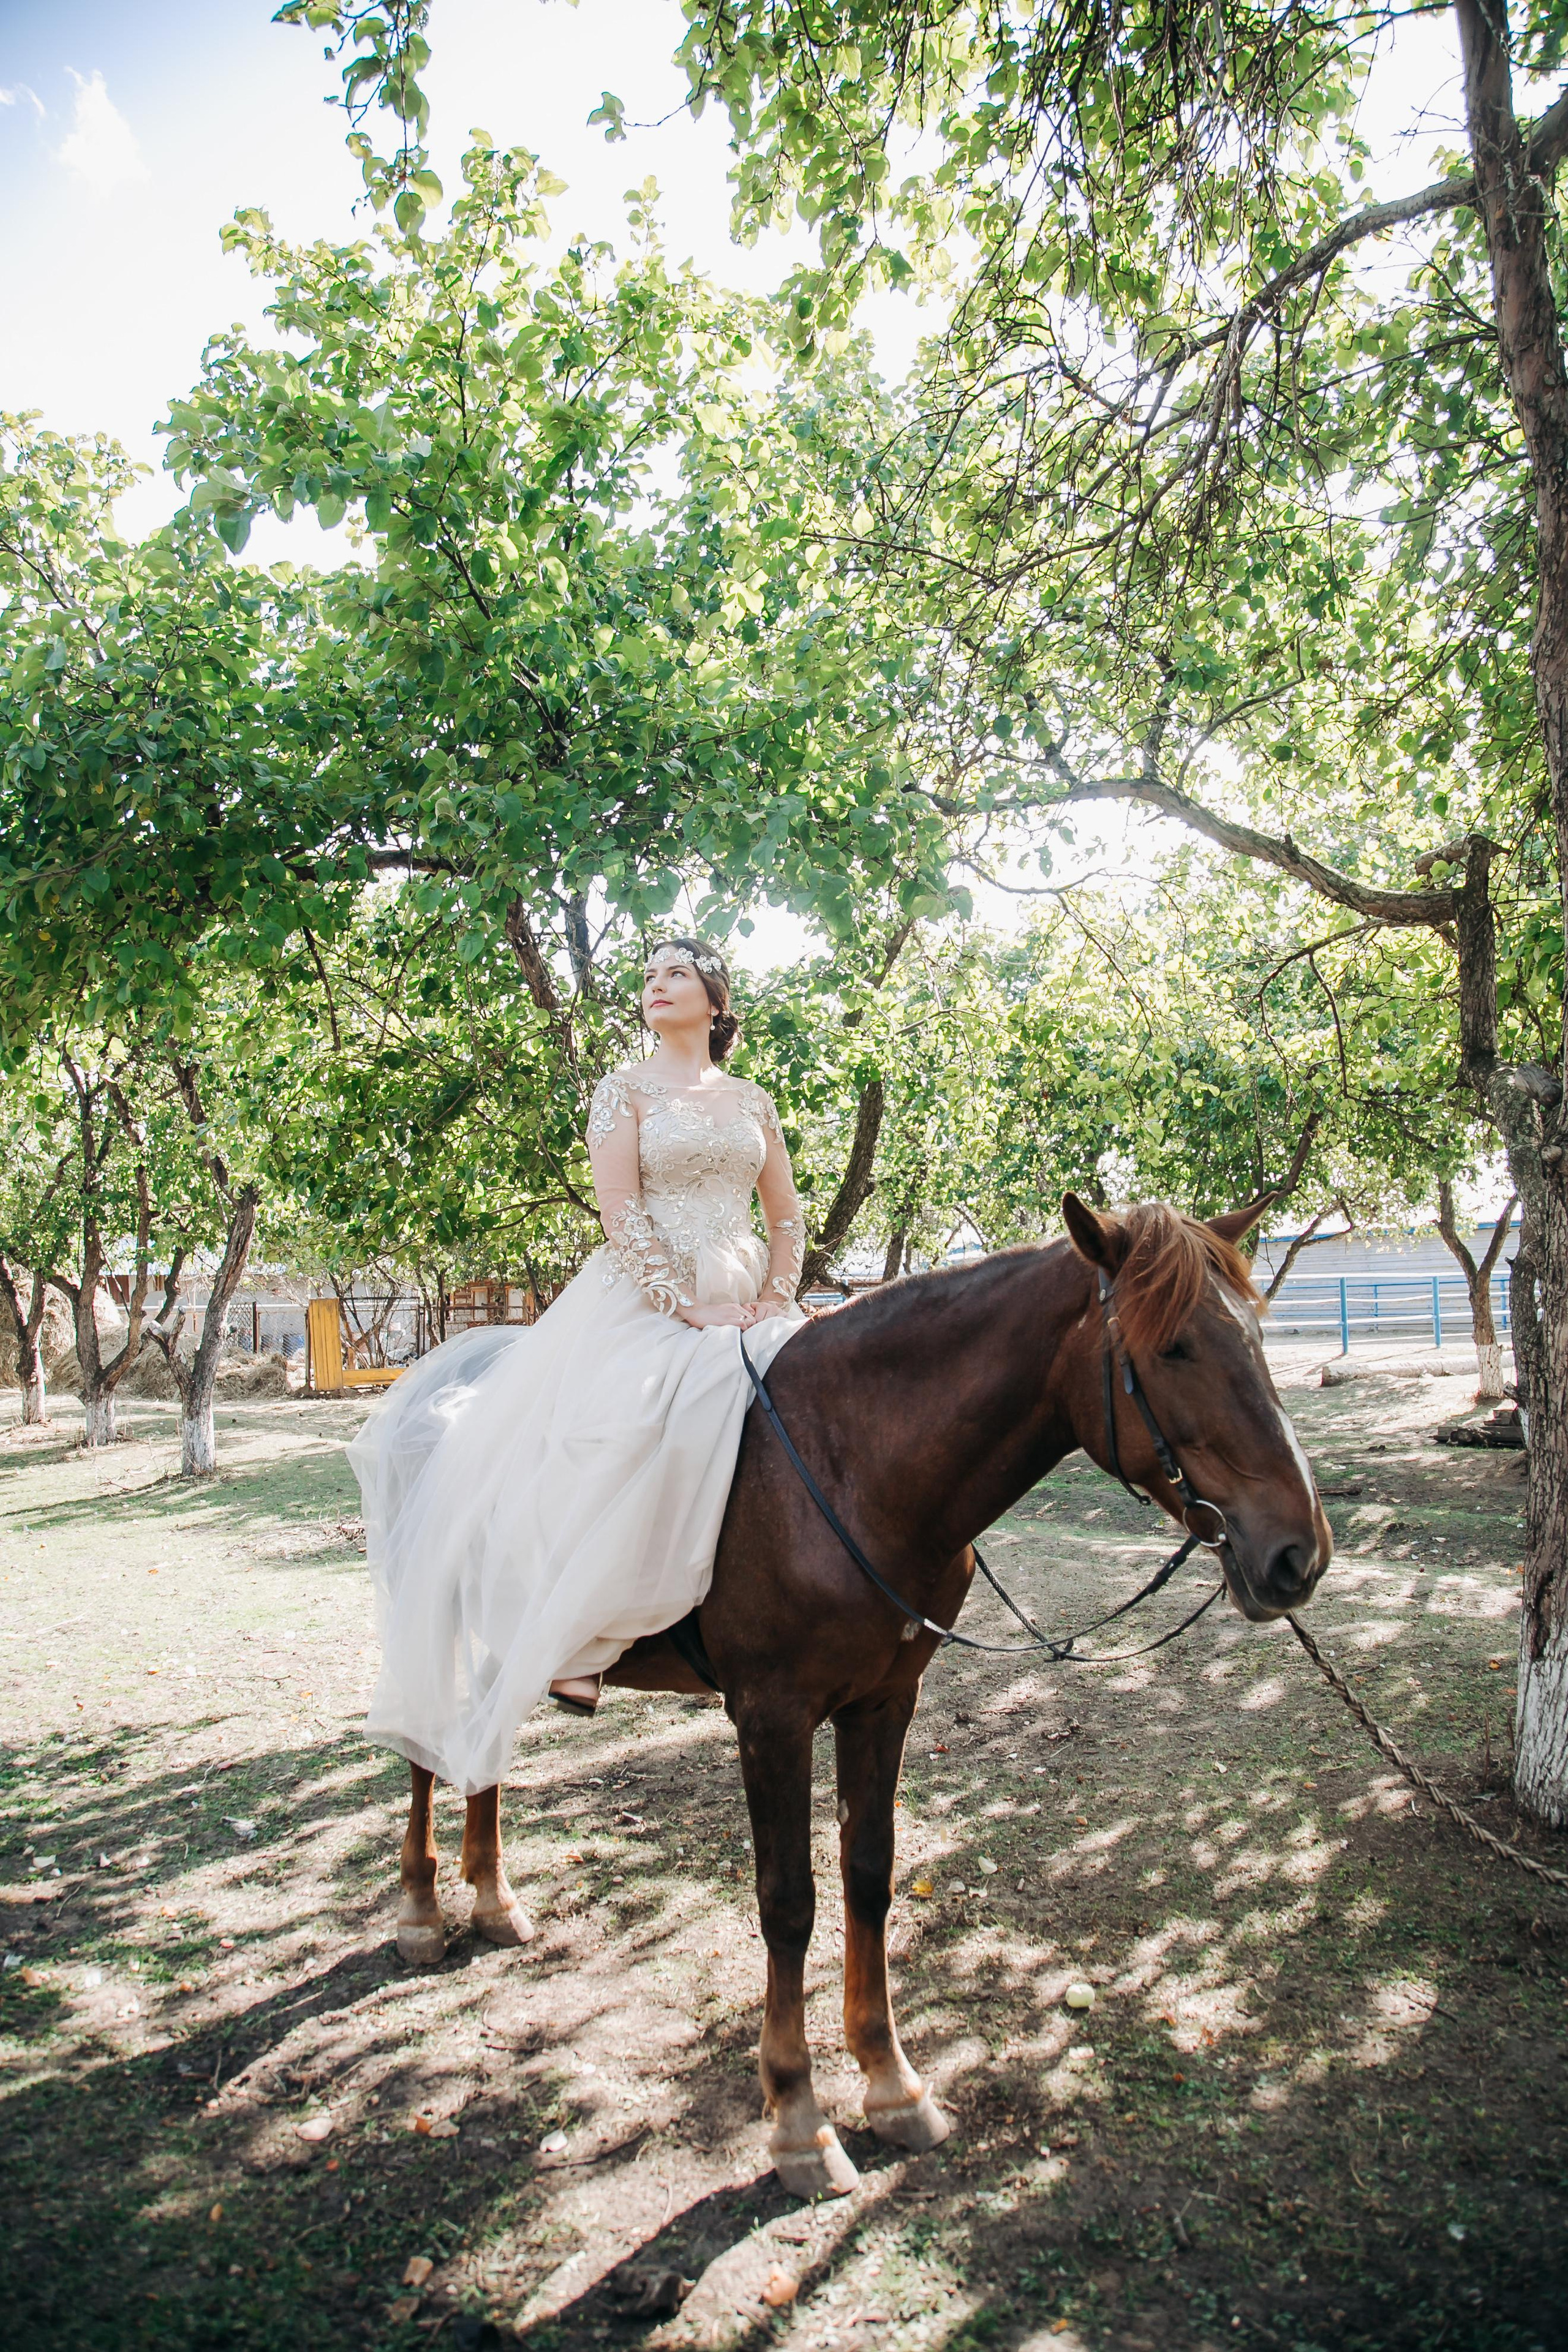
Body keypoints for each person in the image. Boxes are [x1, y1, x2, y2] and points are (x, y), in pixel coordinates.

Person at [349, 939, 807, 1795]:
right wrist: (684, 1304)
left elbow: (785, 1215)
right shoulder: (622, 1090)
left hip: (749, 1297)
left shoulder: (754, 1100)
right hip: (646, 1292)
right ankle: (578, 1641)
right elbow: (621, 1209)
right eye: (647, 977)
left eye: (675, 973)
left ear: (714, 999)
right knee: (618, 1427)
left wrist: (776, 1298)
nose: (656, 986)